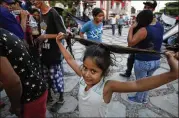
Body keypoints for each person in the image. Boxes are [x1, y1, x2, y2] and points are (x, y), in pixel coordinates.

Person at [56, 32, 178, 117]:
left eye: (93, 71)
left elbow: (138, 84)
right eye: (85, 68)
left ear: (104, 71)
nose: (87, 74)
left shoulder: (107, 87)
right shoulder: (83, 77)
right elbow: (70, 60)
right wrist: (59, 43)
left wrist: (173, 74)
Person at [0, 28, 47, 118]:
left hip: (30, 96)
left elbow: (13, 82)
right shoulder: (4, 32)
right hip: (37, 86)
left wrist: (15, 105)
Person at [30, 0, 66, 112]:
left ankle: (61, 99)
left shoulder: (53, 13)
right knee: (45, 78)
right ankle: (49, 97)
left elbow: (62, 34)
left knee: (56, 78)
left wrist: (45, 36)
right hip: (44, 53)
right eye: (32, 1)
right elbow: (43, 30)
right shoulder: (40, 14)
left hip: (54, 54)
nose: (34, 2)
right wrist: (38, 37)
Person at [127, 10, 164, 103]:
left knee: (141, 82)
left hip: (143, 61)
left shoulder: (144, 30)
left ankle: (139, 99)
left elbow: (130, 43)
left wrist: (131, 28)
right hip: (156, 60)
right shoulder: (160, 26)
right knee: (149, 81)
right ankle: (144, 98)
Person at [120, 0, 160, 78]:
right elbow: (134, 30)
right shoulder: (140, 17)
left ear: (153, 9)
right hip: (136, 42)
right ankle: (128, 72)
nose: (146, 9)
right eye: (145, 7)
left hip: (146, 47)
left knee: (141, 64)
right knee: (130, 58)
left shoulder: (154, 21)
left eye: (149, 8)